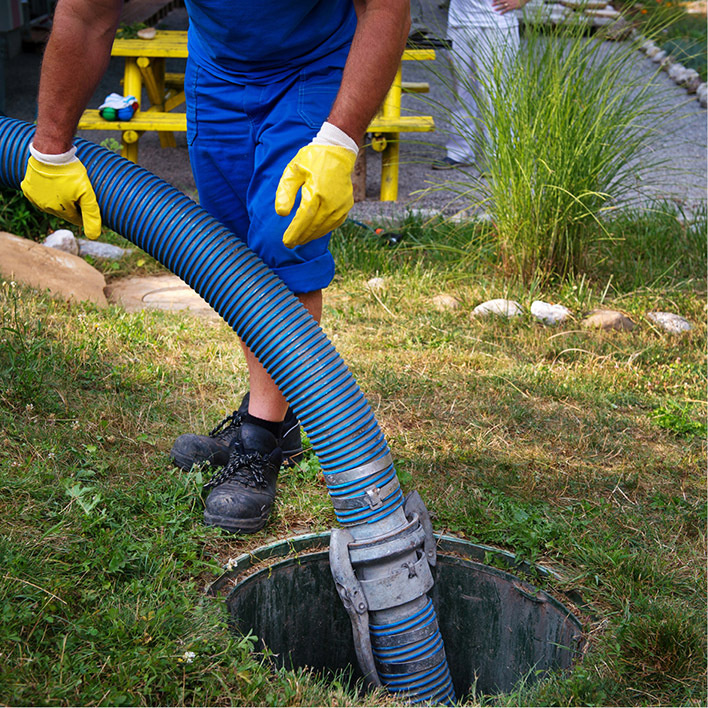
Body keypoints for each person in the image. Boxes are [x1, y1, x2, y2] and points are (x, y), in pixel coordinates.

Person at [21, 0, 411, 534]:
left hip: (314, 63)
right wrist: (49, 147)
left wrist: (339, 142)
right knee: (232, 254)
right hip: (217, 68)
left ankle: (258, 441)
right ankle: (273, 414)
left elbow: (386, 7)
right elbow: (87, 15)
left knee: (282, 239)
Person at [432, 0, 527, 169]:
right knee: (461, 91)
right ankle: (460, 152)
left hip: (498, 22)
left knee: (498, 92)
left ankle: (501, 156)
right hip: (459, 21)